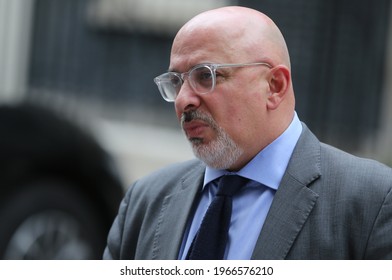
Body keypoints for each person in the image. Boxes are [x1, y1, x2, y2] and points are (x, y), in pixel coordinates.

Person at [103, 6, 392, 260]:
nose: (183, 100)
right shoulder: (145, 200)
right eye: (176, 82)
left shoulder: (372, 202)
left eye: (205, 75)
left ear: (274, 86)